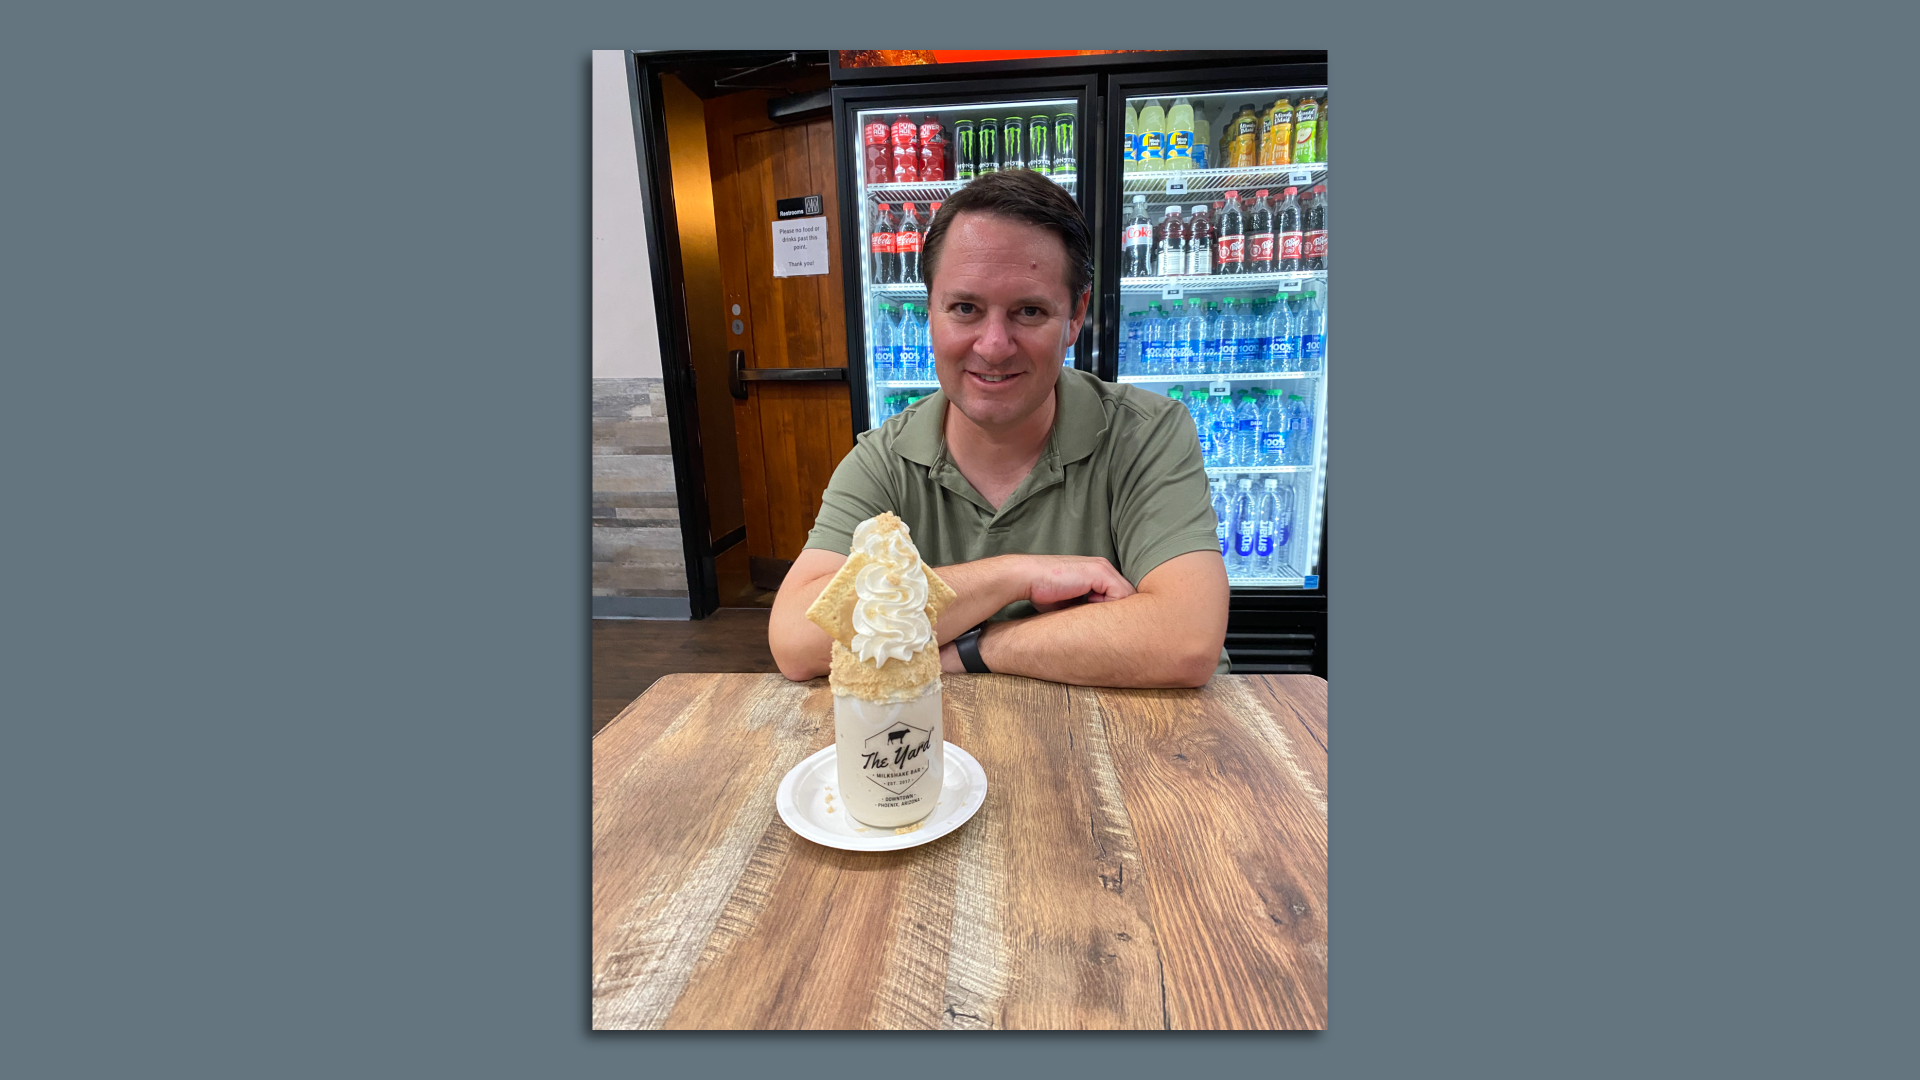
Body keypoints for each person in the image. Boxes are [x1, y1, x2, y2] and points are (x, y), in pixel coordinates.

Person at [770, 169, 1228, 687]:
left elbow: (1185, 640)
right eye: (965, 308)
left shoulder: (1148, 433)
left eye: (1028, 311)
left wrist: (971, 648)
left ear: (1075, 316)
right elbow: (795, 639)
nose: (993, 345)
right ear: (930, 312)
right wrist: (1016, 575)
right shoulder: (884, 461)